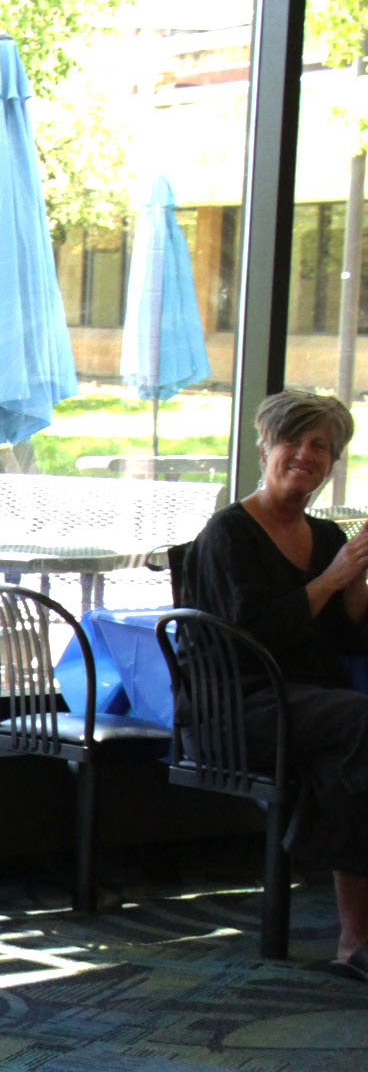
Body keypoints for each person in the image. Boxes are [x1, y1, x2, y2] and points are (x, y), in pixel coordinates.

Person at [185, 386, 368, 975]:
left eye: (321, 446)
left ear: (332, 463)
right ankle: (312, 852)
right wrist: (330, 579)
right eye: (292, 440)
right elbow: (250, 638)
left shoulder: (329, 537)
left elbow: (348, 643)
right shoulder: (228, 533)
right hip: (235, 708)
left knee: (345, 760)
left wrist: (356, 585)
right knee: (360, 722)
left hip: (313, 708)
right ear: (265, 448)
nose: (305, 454)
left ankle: (353, 944)